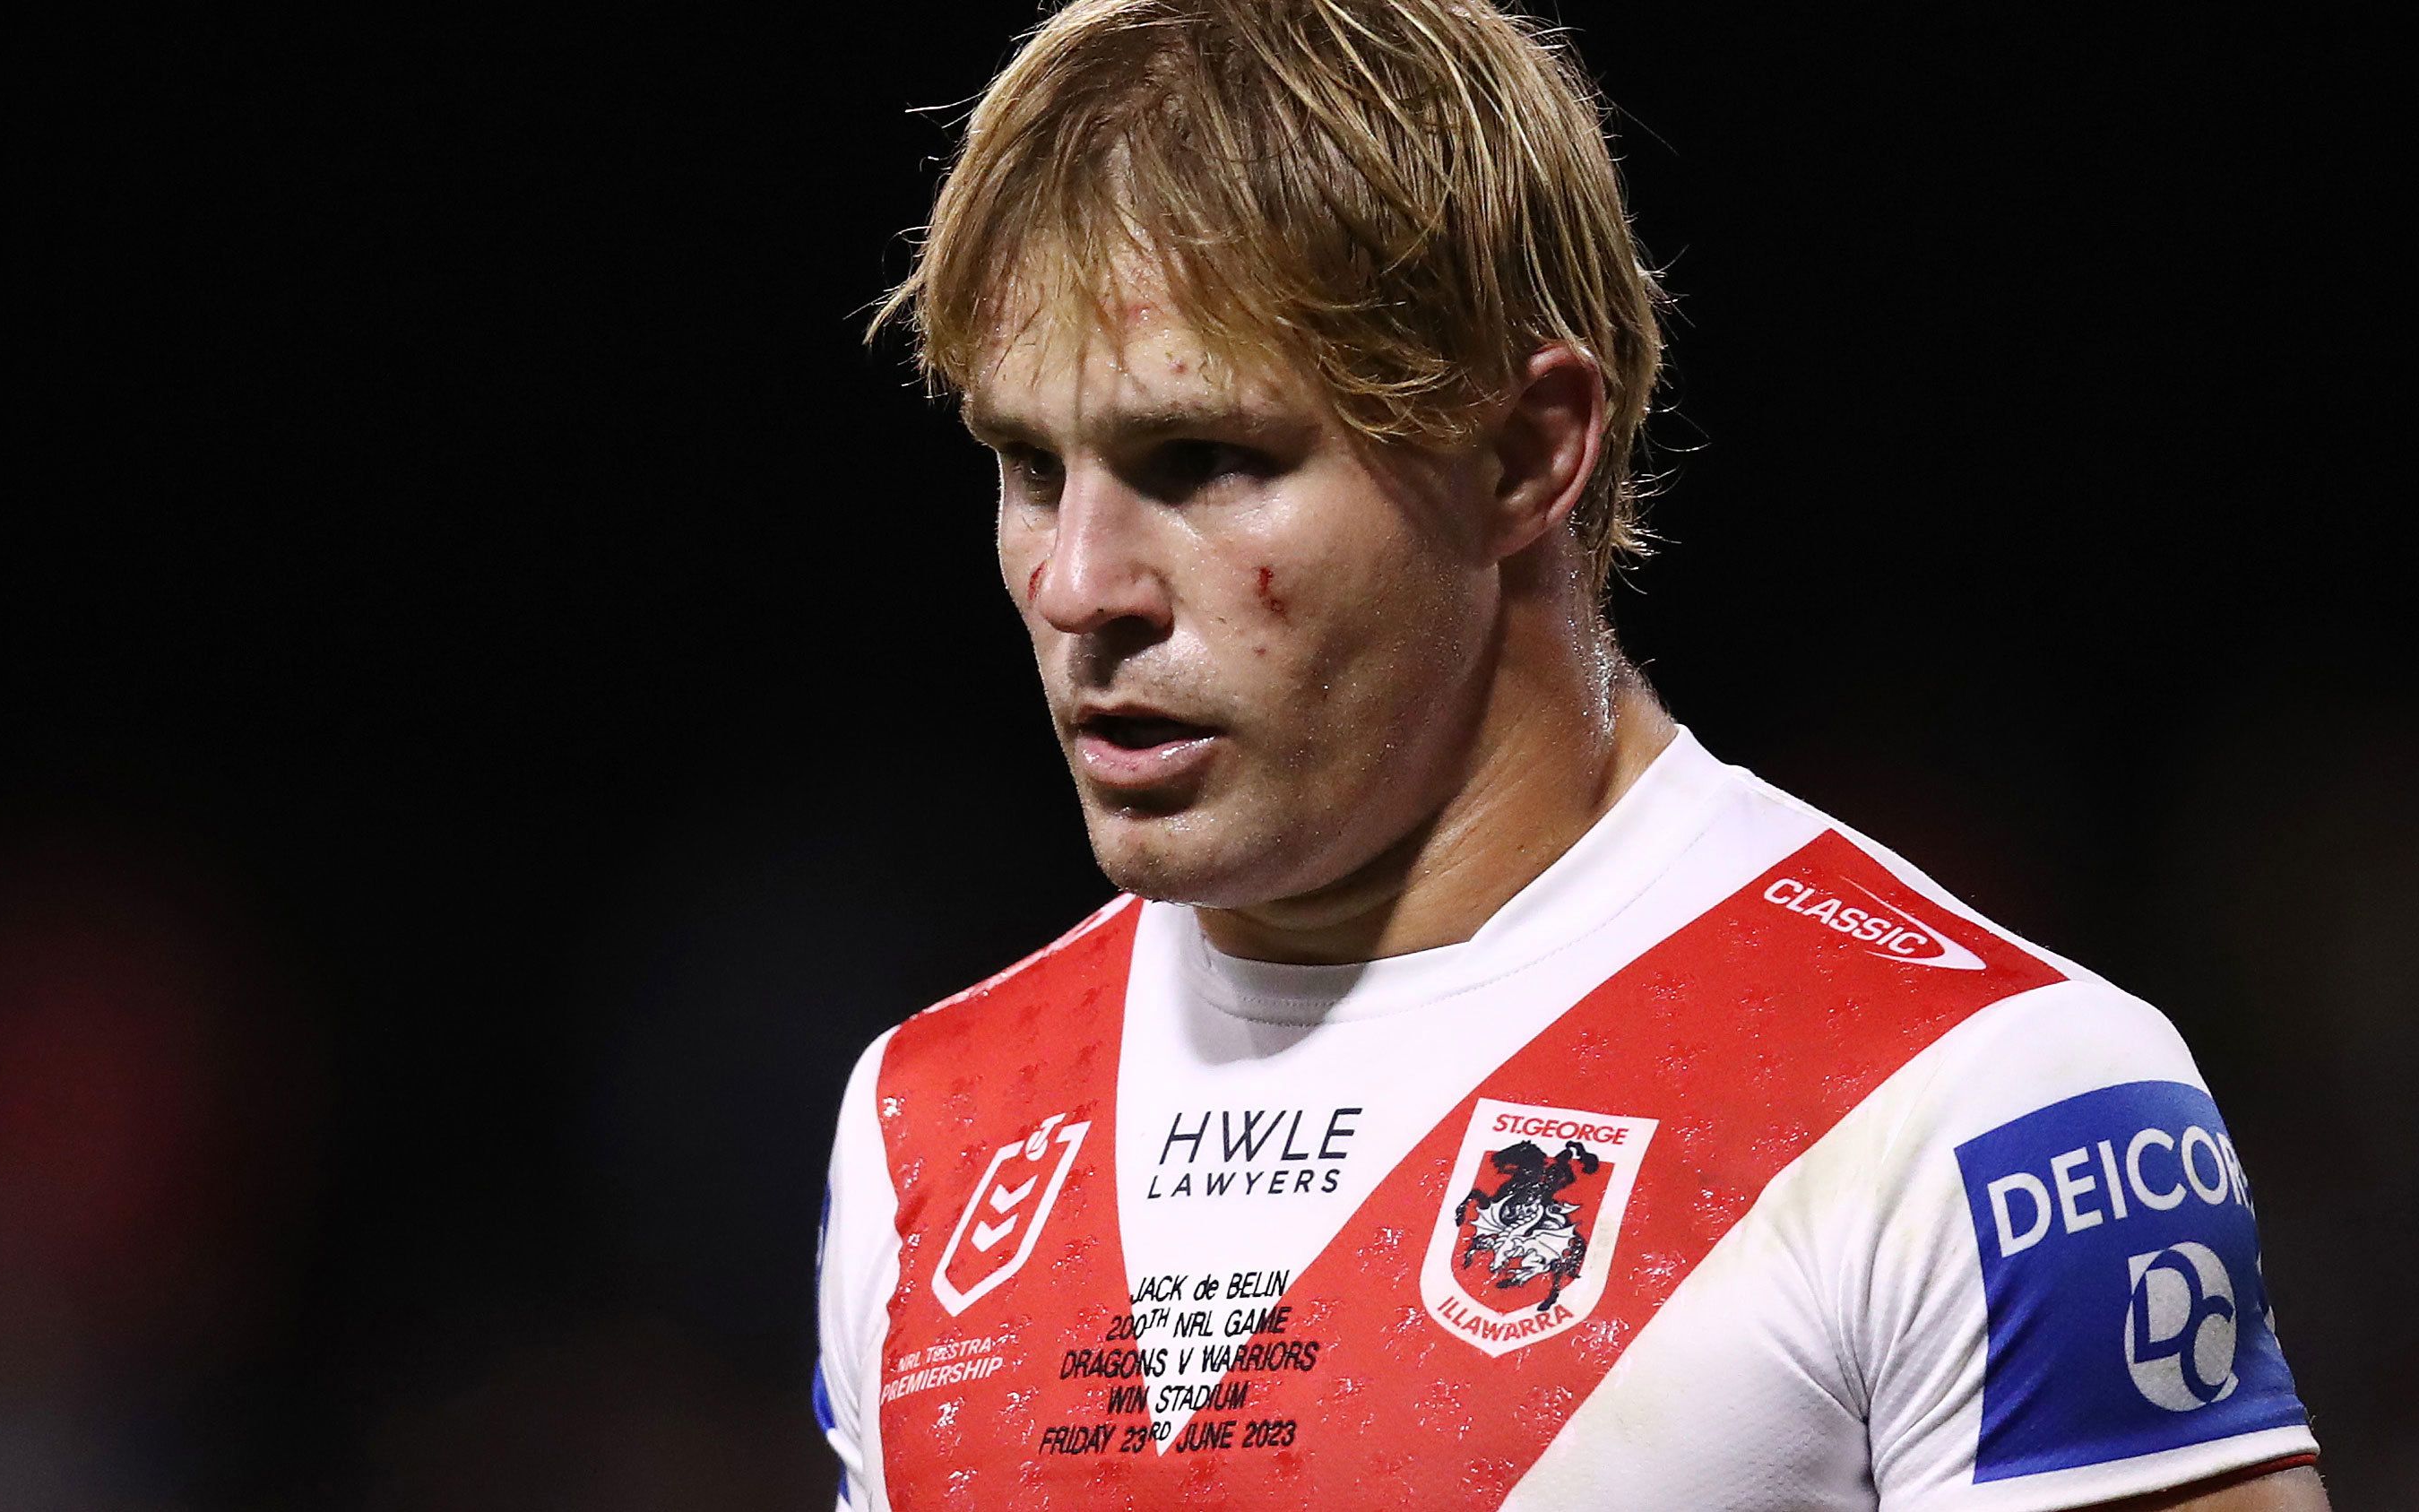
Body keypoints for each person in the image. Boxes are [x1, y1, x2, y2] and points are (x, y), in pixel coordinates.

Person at [814, 2, 2324, 1507]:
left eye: (1204, 460)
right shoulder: (929, 1128)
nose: (1079, 584)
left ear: (1527, 452)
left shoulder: (1989, 1106)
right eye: (1027, 466)